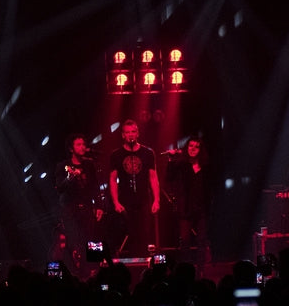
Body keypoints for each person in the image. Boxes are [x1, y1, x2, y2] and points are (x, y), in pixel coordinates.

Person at [54, 133, 104, 278]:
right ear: (71, 148)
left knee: (91, 239)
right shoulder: (63, 166)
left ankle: (95, 270)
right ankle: (77, 272)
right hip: (70, 209)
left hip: (87, 207)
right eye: (78, 144)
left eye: (83, 144)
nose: (82, 147)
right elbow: (60, 187)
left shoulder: (89, 164)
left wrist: (99, 206)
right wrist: (70, 178)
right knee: (74, 240)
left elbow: (95, 187)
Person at [108, 119, 160, 258]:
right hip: (126, 200)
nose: (130, 135)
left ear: (137, 133)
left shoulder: (148, 153)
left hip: (143, 198)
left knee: (144, 232)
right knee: (130, 232)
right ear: (123, 135)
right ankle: (132, 264)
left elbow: (153, 177)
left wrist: (157, 200)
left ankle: (143, 263)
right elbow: (112, 179)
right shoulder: (116, 155)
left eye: (133, 131)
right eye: (127, 132)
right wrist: (116, 202)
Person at [165, 137, 211, 267]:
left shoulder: (205, 167)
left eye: (196, 146)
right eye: (190, 146)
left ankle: (201, 268)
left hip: (201, 208)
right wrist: (170, 159)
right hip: (185, 208)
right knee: (185, 240)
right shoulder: (181, 165)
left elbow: (210, 187)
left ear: (200, 149)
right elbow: (169, 178)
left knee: (201, 240)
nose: (193, 149)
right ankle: (186, 269)